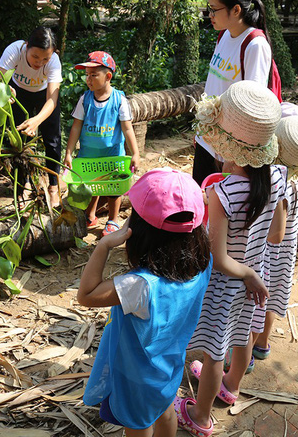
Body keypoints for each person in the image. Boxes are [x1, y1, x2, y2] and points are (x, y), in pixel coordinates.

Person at [179, 81, 287, 437]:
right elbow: (276, 235)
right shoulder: (277, 178)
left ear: (225, 143)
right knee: (241, 338)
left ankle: (200, 416)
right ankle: (232, 387)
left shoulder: (220, 193)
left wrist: (247, 275)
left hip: (228, 284)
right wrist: (255, 274)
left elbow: (220, 258)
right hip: (257, 275)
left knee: (213, 352)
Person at [78, 168, 212, 437]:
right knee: (164, 409)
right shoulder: (204, 263)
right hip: (169, 367)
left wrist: (103, 246)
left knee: (139, 425)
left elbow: (86, 295)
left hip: (136, 378)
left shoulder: (138, 286)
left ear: (138, 231)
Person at [192, 0, 275, 186]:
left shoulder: (255, 45)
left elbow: (253, 106)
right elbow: (214, 85)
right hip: (208, 138)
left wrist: (233, 158)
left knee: (220, 209)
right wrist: (201, 132)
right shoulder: (225, 34)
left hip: (229, 150)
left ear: (236, 9)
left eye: (214, 9)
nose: (209, 14)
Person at [252, 114, 298, 361]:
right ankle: (263, 343)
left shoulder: (278, 183)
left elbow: (276, 235)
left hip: (269, 253)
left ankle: (244, 355)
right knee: (272, 298)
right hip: (289, 251)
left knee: (258, 302)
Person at [64, 51, 140, 236]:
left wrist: (135, 153)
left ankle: (113, 220)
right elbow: (76, 127)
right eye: (87, 75)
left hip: (113, 154)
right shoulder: (85, 99)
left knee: (113, 188)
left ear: (108, 77)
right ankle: (90, 215)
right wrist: (68, 152)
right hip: (88, 154)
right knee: (90, 185)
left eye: (93, 75)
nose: (88, 80)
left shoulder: (118, 100)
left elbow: (127, 128)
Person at [0, 27, 62, 206]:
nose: (40, 62)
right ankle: (22, 185)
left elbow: (52, 100)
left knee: (53, 140)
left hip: (44, 96)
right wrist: (5, 91)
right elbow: (0, 80)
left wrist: (37, 120)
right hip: (18, 93)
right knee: (19, 142)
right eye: (35, 57)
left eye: (45, 59)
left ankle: (53, 187)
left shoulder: (54, 61)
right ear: (26, 47)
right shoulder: (14, 51)